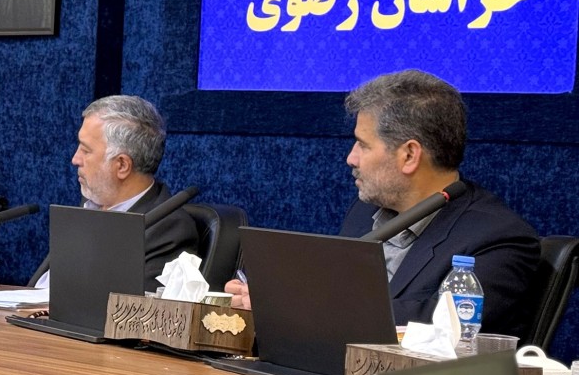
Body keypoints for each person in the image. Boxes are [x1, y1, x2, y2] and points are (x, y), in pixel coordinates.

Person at [225, 70, 540, 338]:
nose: (351, 158)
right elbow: (336, 297)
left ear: (409, 155)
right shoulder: (364, 213)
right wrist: (268, 300)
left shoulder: (497, 239)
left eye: (363, 145)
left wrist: (296, 306)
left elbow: (440, 325)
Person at [33, 95, 198, 292]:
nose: (75, 159)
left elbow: (130, 307)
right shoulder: (88, 207)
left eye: (86, 150)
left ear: (121, 165)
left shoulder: (168, 231)